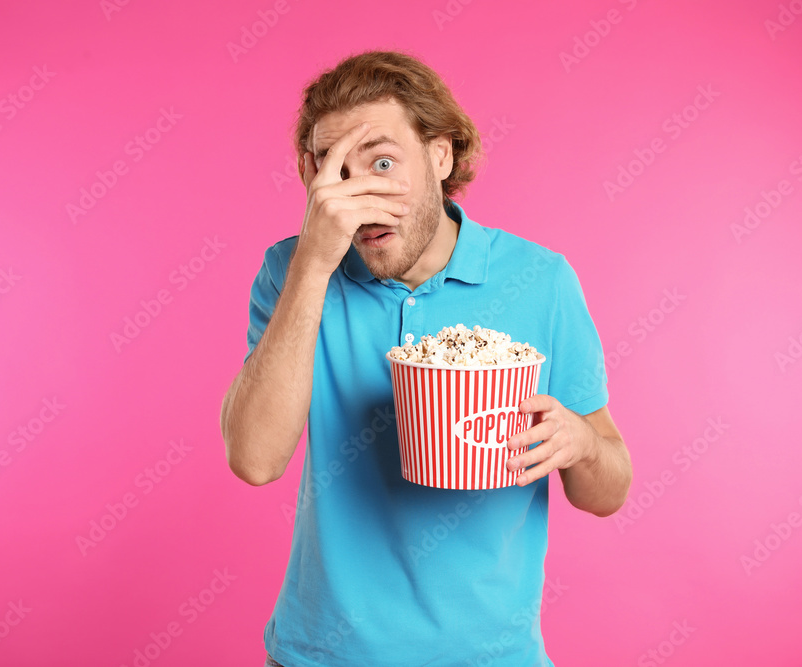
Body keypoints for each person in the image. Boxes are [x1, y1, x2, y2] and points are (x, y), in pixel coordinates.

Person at [221, 49, 633, 667]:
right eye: (336, 172)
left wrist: (580, 443)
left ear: (440, 156)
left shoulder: (541, 280)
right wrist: (313, 261)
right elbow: (254, 460)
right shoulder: (290, 271)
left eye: (383, 162)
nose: (360, 199)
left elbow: (608, 490)